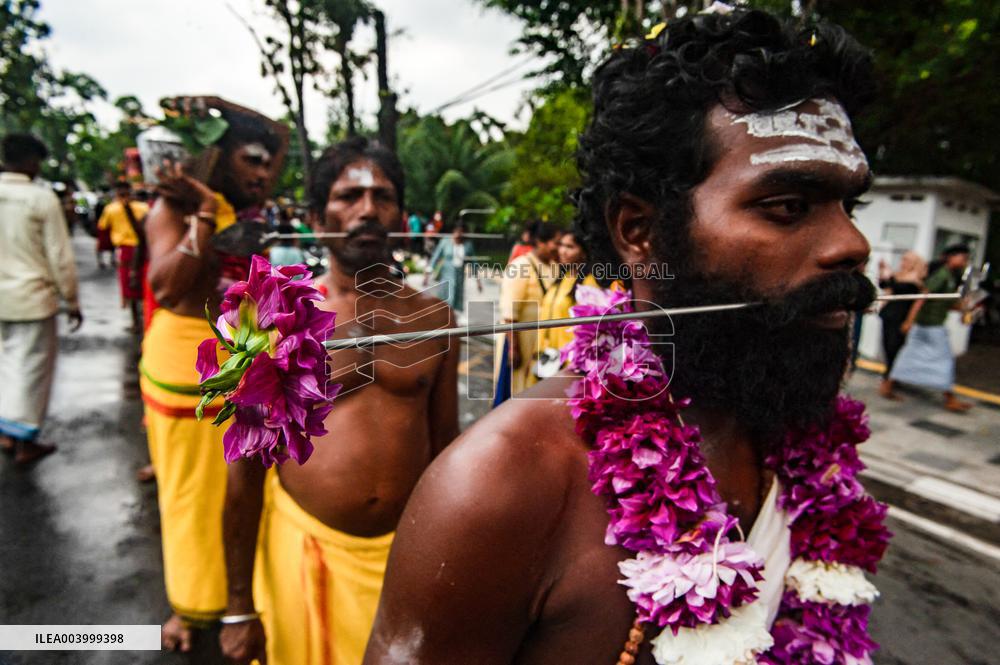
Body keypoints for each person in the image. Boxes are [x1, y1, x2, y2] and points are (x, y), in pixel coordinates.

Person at [366, 8, 888, 664]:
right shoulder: (503, 483)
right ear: (639, 232)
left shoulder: (802, 436)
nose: (852, 243)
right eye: (788, 206)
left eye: (851, 205)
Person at [220, 137, 460, 665]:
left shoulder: (437, 318)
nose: (367, 210)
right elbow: (245, 473)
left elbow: (447, 452)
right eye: (349, 196)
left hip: (406, 560)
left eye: (383, 196)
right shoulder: (268, 317)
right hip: (307, 555)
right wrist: (238, 607)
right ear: (314, 215)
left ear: (401, 213)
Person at [141, 96, 288, 652]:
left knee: (247, 494)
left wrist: (219, 106)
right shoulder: (175, 209)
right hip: (186, 373)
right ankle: (191, 608)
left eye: (262, 163)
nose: (260, 171)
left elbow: (279, 132)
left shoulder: (249, 203)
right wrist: (202, 211)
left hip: (242, 361)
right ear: (218, 161)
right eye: (248, 161)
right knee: (192, 499)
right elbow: (170, 288)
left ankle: (243, 597)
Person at [0, 133, 83, 465]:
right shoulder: (39, 198)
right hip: (31, 299)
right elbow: (60, 257)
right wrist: (72, 301)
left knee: (6, 365)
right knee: (31, 371)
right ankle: (24, 441)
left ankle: (7, 433)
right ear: (31, 162)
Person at [888, 244, 973, 411]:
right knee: (945, 360)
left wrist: (965, 308)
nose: (964, 262)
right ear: (951, 257)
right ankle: (949, 398)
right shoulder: (942, 275)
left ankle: (887, 384)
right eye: (962, 258)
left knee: (908, 355)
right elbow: (922, 297)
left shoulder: (950, 276)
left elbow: (943, 303)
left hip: (930, 324)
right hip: (930, 325)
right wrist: (909, 321)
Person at [493, 221, 560, 402]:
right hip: (519, 341)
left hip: (540, 343)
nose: (559, 248)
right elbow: (509, 312)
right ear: (540, 242)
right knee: (514, 390)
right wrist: (513, 349)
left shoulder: (555, 266)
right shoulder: (520, 266)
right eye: (556, 242)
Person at [525, 229, 599, 389]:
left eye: (570, 247)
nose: (562, 251)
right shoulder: (562, 279)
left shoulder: (589, 284)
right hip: (548, 359)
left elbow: (590, 330)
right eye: (561, 245)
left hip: (569, 365)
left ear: (584, 252)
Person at [97, 180, 149, 332]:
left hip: (129, 250)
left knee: (132, 287)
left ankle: (137, 321)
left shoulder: (111, 209)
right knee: (139, 286)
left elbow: (102, 228)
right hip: (142, 249)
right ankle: (143, 321)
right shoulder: (143, 207)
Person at [877, 251, 927, 398]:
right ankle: (890, 376)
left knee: (895, 348)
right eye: (903, 259)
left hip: (901, 316)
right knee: (887, 346)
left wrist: (909, 321)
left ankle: (888, 381)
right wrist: (882, 270)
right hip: (889, 314)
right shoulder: (898, 275)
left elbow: (918, 302)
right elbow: (884, 285)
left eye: (906, 260)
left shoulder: (917, 279)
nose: (903, 262)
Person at [425, 223, 476, 313]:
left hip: (459, 274)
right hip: (446, 274)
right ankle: (443, 314)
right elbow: (436, 256)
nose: (458, 234)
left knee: (457, 295)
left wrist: (478, 280)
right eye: (457, 232)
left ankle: (454, 317)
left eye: (461, 232)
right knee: (445, 295)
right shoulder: (445, 242)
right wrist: (428, 272)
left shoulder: (467, 245)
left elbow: (473, 262)